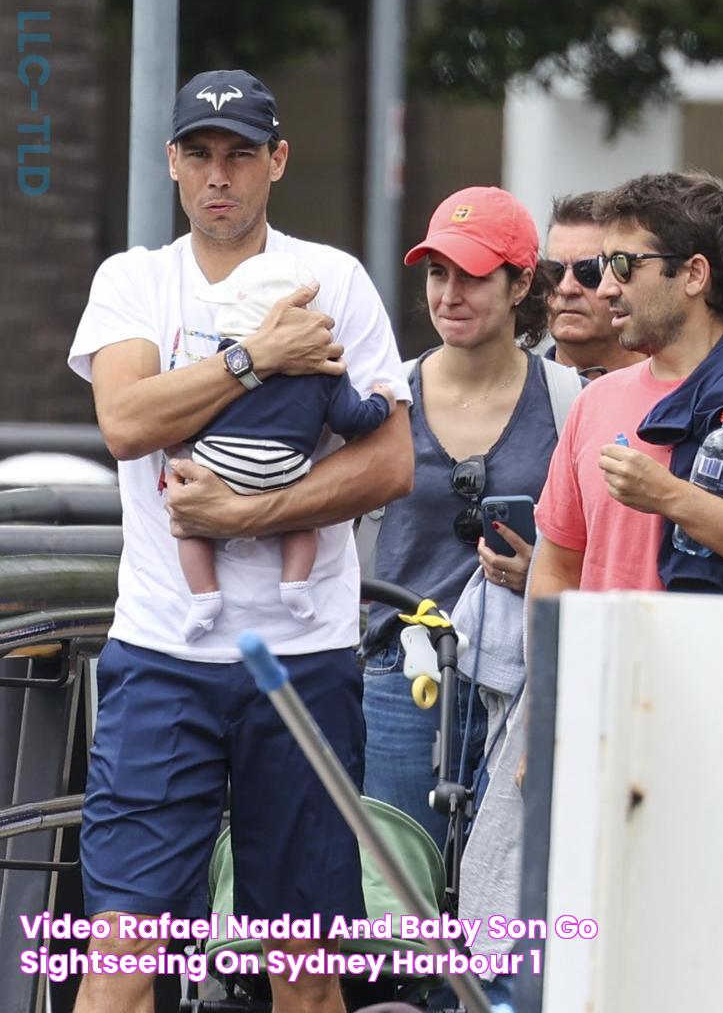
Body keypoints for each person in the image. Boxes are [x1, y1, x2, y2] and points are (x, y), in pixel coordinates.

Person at [68, 68, 412, 1013]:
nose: (220, 176)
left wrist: (250, 514)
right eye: (201, 154)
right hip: (162, 656)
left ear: (277, 162)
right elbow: (128, 424)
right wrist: (254, 356)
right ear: (173, 162)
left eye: (241, 155)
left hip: (304, 659)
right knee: (123, 961)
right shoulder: (134, 278)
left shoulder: (333, 278)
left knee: (304, 972)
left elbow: (388, 464)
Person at [361, 185, 564, 850]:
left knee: (509, 894)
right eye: (437, 273)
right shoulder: (385, 394)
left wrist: (547, 571)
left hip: (526, 682)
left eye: (473, 276)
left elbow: (606, 545)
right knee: (401, 892)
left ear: (520, 283)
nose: (449, 295)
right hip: (401, 674)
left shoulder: (571, 401)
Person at [530, 171, 723, 601]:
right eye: (602, 267)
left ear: (694, 274)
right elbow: (557, 571)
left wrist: (672, 497)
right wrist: (550, 668)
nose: (604, 289)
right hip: (606, 669)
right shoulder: (594, 401)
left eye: (623, 265)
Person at [176, 251, 395, 639]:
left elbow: (192, 417)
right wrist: (382, 400)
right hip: (286, 467)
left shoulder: (226, 360)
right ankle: (295, 585)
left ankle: (204, 595)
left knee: (190, 526)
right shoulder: (325, 368)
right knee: (302, 518)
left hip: (221, 464)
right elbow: (352, 421)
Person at [544, 191, 645, 378]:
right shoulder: (515, 397)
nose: (566, 288)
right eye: (554, 271)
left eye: (589, 271)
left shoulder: (678, 397)